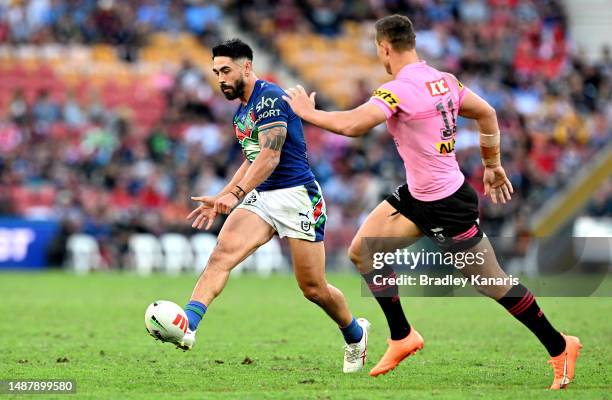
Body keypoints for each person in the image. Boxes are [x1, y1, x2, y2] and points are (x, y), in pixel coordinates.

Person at [283, 15, 581, 389]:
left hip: (446, 205)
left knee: (491, 282)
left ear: (384, 48)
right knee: (364, 251)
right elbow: (487, 113)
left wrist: (307, 113)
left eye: (378, 50)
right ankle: (402, 335)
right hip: (418, 196)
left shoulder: (399, 89)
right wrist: (492, 165)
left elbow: (354, 126)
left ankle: (560, 346)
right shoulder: (444, 80)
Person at [169, 39, 369, 373]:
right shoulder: (241, 113)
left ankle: (355, 334)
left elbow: (270, 155)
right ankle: (188, 325)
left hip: (297, 197)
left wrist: (235, 195)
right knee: (221, 255)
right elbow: (251, 159)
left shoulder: (271, 99)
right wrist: (223, 195)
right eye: (216, 72)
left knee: (313, 288)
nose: (220, 78)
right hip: (262, 196)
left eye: (226, 70)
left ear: (246, 66)